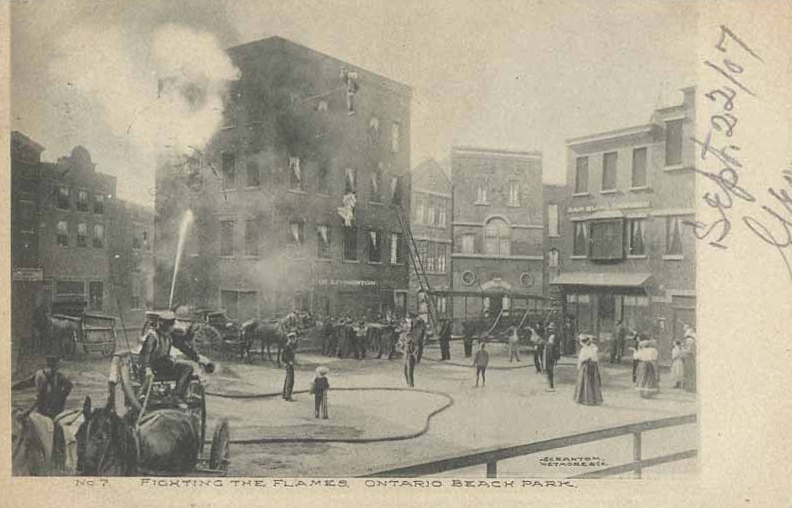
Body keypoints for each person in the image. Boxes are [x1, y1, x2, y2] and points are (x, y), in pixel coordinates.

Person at [139, 311, 201, 401]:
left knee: (188, 368)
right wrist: (147, 369)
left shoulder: (169, 336)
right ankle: (174, 396)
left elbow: (183, 347)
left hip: (164, 365)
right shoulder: (153, 336)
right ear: (166, 326)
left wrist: (197, 358)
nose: (173, 327)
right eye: (171, 325)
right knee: (175, 364)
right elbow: (145, 354)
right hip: (152, 368)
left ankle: (176, 395)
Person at [574, 335, 603, 406]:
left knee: (585, 382)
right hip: (593, 366)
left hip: (586, 367)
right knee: (593, 382)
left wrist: (579, 366)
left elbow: (581, 359)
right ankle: (595, 399)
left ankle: (585, 399)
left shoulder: (584, 349)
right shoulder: (594, 348)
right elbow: (596, 359)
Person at [543, 322, 560, 392]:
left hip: (550, 353)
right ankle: (550, 385)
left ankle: (551, 386)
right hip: (552, 353)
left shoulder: (550, 337)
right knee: (550, 369)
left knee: (549, 369)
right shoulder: (556, 336)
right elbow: (557, 347)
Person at [281, 333, 297, 401]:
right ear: (291, 339)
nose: (295, 340)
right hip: (289, 365)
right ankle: (288, 396)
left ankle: (284, 394)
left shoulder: (289, 345)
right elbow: (284, 355)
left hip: (289, 364)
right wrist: (288, 361)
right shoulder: (287, 346)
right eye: (294, 339)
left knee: (287, 379)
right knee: (290, 380)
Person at [682, 329, 697, 393]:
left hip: (688, 356)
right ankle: (692, 387)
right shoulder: (693, 340)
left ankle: (688, 387)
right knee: (692, 372)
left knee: (688, 372)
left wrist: (683, 349)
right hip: (692, 357)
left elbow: (687, 350)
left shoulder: (688, 341)